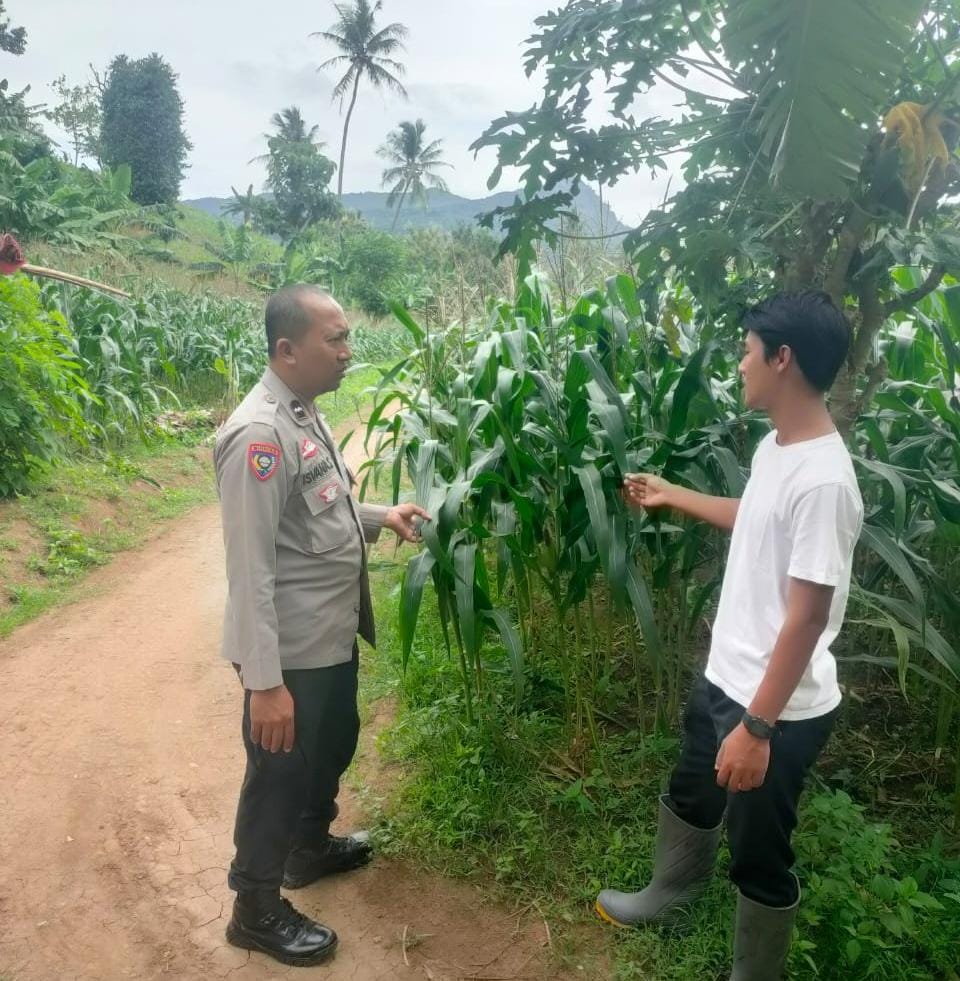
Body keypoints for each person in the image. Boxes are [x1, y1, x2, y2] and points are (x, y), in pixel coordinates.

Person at [596, 291, 864, 979]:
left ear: (783, 358)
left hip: (776, 707)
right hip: (727, 674)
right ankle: (670, 893)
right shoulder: (780, 446)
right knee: (693, 788)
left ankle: (756, 973)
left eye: (748, 351)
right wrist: (673, 494)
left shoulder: (827, 482)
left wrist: (757, 727)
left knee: (758, 846)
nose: (741, 364)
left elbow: (807, 616)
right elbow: (757, 514)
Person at [214, 284, 429, 967]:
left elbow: (319, 508)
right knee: (277, 776)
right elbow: (250, 571)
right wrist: (264, 683)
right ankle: (254, 908)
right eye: (334, 339)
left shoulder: (302, 412)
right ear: (287, 349)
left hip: (330, 635)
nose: (347, 351)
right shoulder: (259, 436)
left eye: (346, 337)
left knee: (334, 743)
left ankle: (307, 848)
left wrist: (380, 515)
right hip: (291, 652)